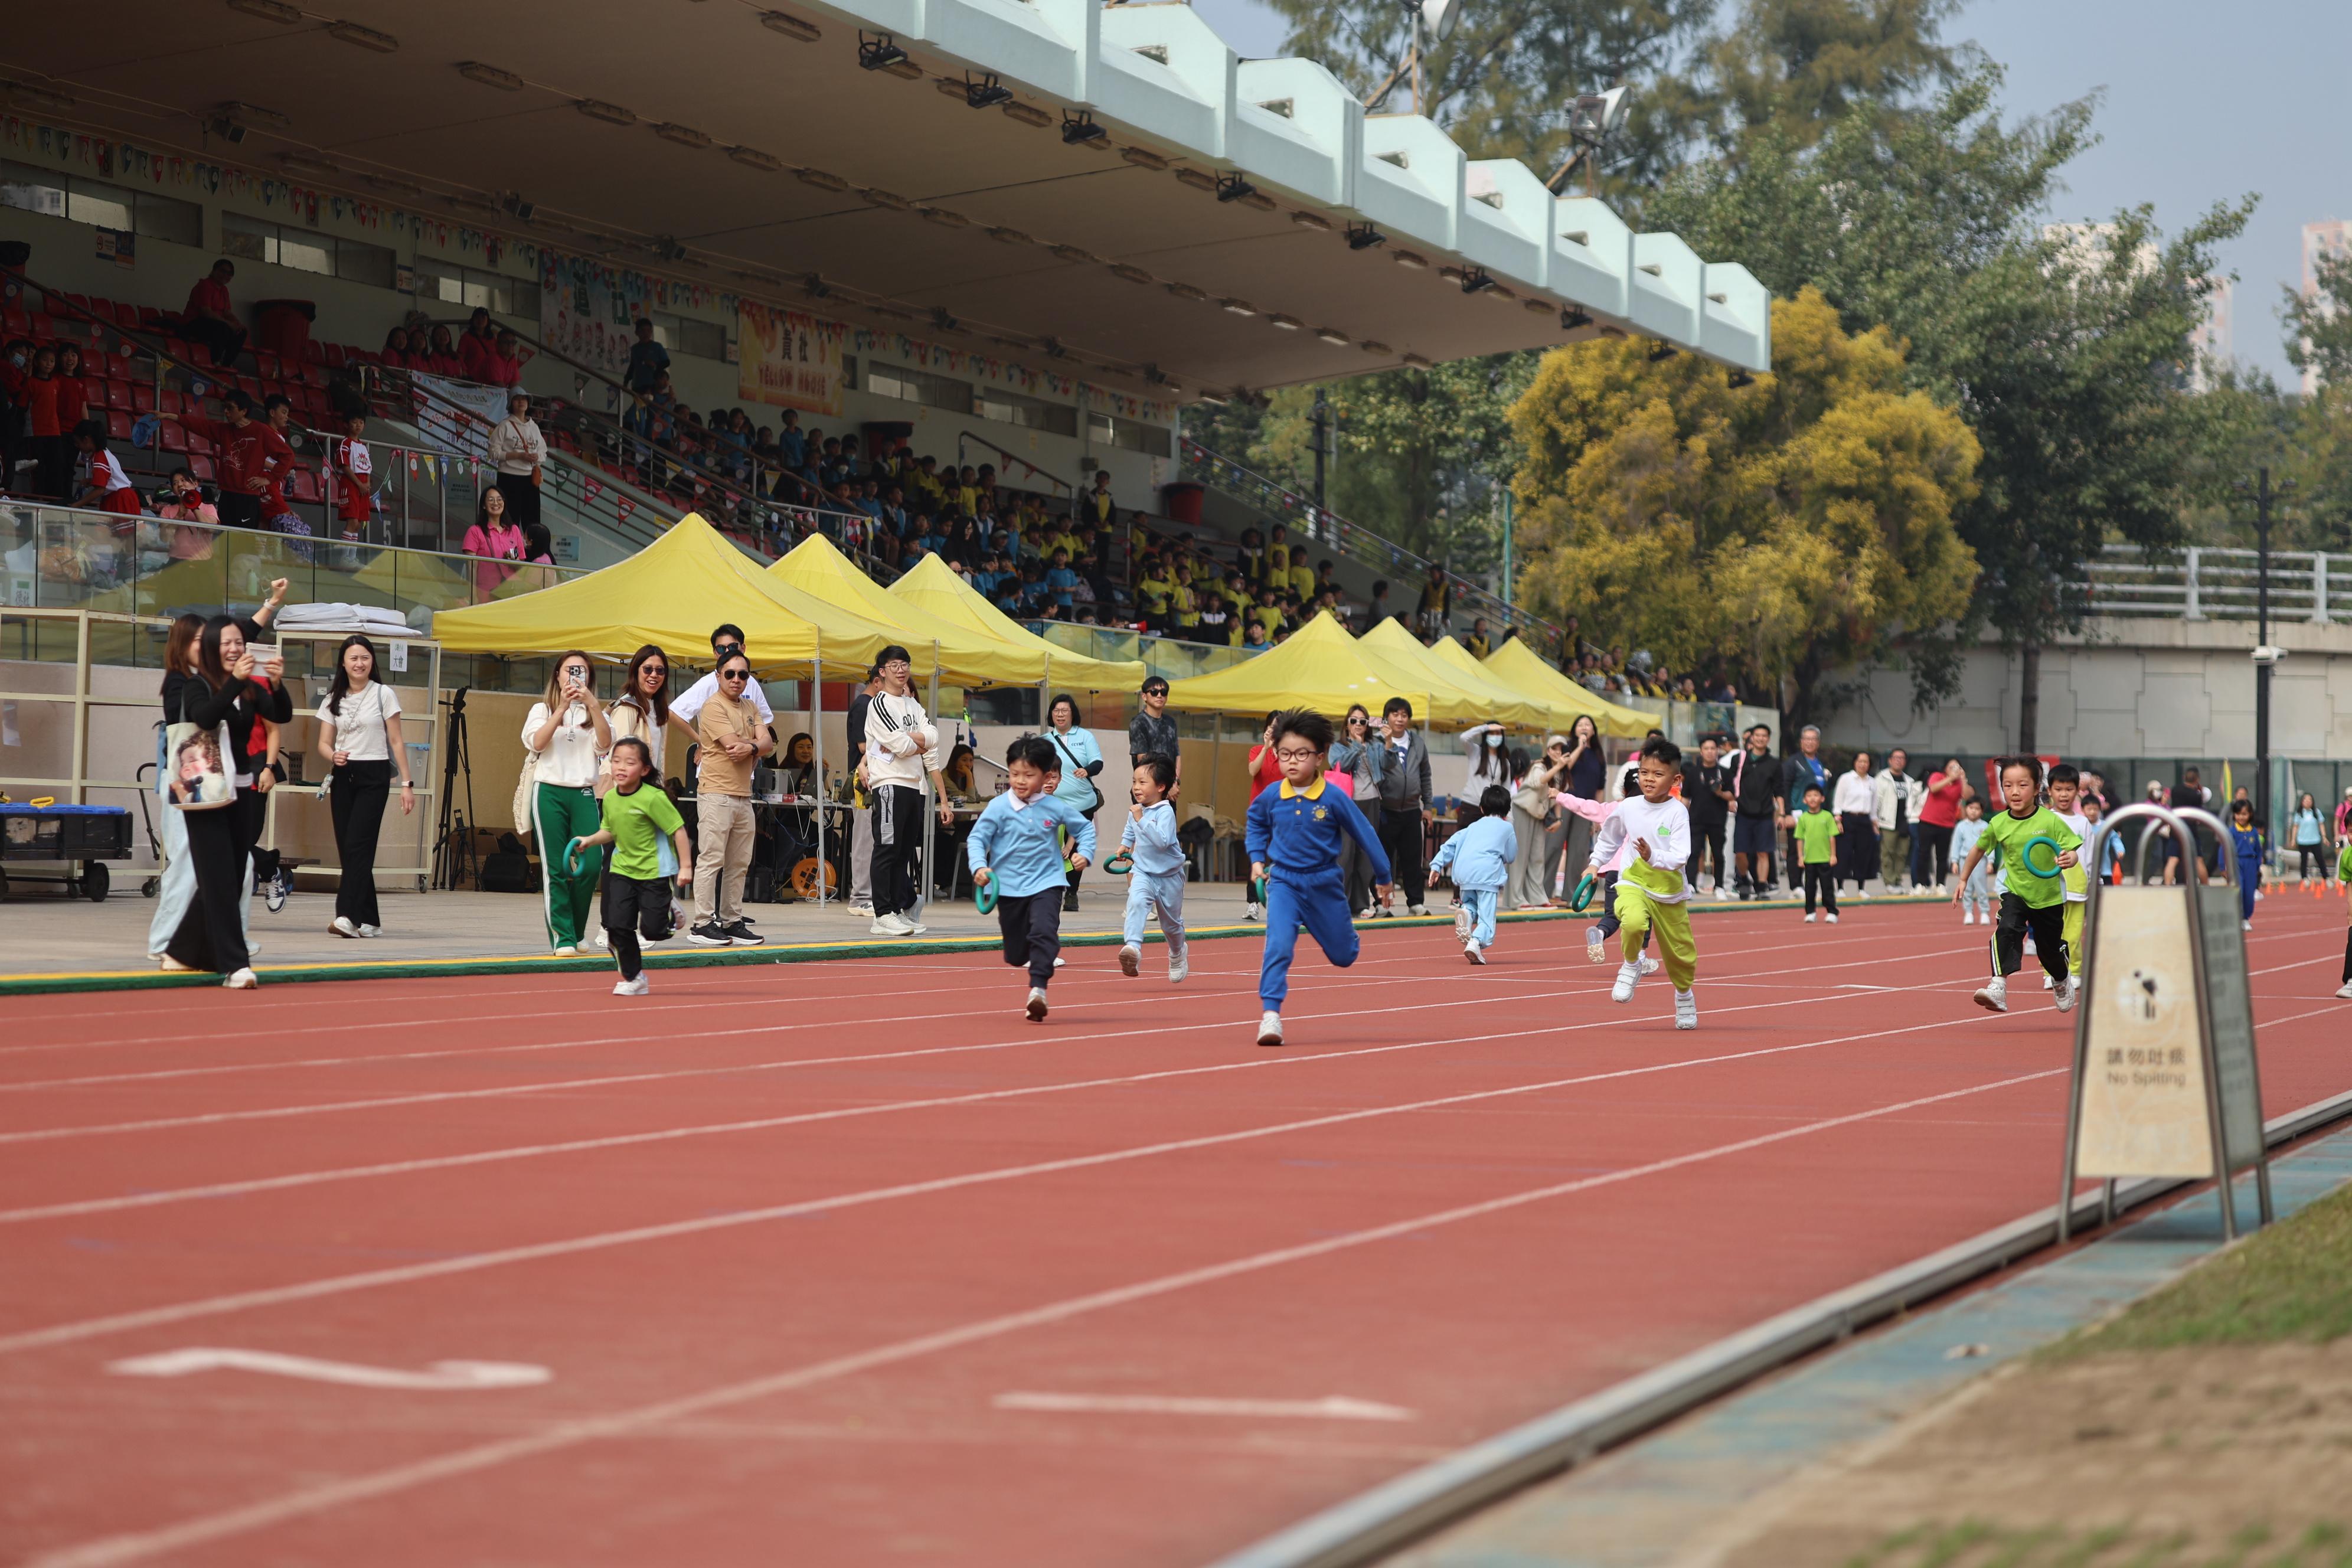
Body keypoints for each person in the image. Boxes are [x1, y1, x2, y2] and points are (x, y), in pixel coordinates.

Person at [1246, 709, 1393, 1047]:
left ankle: (1331, 929)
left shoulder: (1333, 796)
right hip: (1284, 883)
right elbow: (1255, 823)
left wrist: (1384, 877)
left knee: (1344, 956)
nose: (1292, 761)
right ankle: (1271, 1015)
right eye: (1285, 754)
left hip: (1325, 885)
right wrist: (1256, 860)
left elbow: (1366, 833)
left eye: (1301, 754)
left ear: (1320, 756)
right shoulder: (1272, 795)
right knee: (1278, 946)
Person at [158, 615, 276, 987]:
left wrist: (275, 684)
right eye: (226, 643)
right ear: (211, 647)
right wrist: (235, 683)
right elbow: (205, 718)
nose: (234, 649)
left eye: (239, 643)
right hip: (205, 793)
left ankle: (181, 951)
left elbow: (280, 715)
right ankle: (234, 963)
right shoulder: (196, 684)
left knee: (228, 877)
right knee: (220, 879)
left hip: (241, 793)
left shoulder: (247, 686)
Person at [969, 734, 1097, 1021]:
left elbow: (1085, 829)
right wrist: (979, 867)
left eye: (1029, 775)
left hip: (1048, 883)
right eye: (1015, 774)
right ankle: (1029, 957)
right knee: (1015, 955)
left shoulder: (1055, 806)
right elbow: (978, 838)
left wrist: (1085, 854)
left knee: (1044, 931)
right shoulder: (999, 807)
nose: (1020, 781)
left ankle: (1038, 990)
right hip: (1009, 888)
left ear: (1046, 776)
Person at [1951, 756, 2081, 1014]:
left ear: (2037, 788)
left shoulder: (2050, 820)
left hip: (2048, 897)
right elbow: (1978, 849)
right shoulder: (1999, 823)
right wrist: (1963, 879)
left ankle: (2061, 978)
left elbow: (2072, 849)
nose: (2015, 792)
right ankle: (1997, 986)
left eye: (2022, 785)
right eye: (2008, 786)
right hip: (2015, 891)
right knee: (2007, 928)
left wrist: (2069, 859)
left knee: (2048, 951)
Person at [567, 737, 691, 997]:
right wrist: (589, 840)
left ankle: (668, 910)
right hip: (622, 871)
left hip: (654, 872)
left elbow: (678, 831)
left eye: (629, 763)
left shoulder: (653, 798)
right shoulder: (611, 797)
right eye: (616, 761)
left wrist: (686, 867)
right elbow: (609, 830)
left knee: (653, 931)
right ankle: (635, 978)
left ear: (644, 770)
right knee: (617, 927)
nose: (621, 767)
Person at [1589, 737, 1699, 1028]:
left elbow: (1681, 855)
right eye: (1644, 772)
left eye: (1658, 774)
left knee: (1681, 954)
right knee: (1633, 922)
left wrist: (1653, 856)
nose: (1649, 779)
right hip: (1633, 881)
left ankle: (1684, 995)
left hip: (1668, 890)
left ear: (1675, 780)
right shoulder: (1629, 806)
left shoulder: (1678, 812)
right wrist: (1594, 864)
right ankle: (1631, 964)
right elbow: (1609, 838)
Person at [316, 633, 414, 939]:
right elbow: (323, 743)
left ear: (372, 661)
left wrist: (407, 784)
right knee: (350, 848)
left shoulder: (384, 694)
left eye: (365, 658)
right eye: (353, 658)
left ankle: (347, 916)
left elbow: (396, 740)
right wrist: (332, 755)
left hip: (375, 775)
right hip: (343, 775)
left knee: (358, 844)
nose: (359, 663)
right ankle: (370, 918)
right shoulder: (332, 699)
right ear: (343, 663)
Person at [522, 650, 612, 955]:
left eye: (581, 671)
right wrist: (561, 707)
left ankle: (575, 929)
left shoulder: (596, 712)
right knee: (555, 867)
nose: (575, 676)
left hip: (584, 792)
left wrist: (593, 705)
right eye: (570, 670)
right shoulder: (542, 709)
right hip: (548, 791)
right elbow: (538, 742)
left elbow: (605, 744)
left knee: (592, 864)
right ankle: (563, 937)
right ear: (558, 676)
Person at [863, 643, 953, 937]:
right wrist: (918, 742)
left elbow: (934, 736)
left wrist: (914, 740)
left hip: (916, 786)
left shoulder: (913, 704)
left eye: (905, 665)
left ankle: (897, 910)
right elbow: (901, 746)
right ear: (882, 672)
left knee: (903, 853)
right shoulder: (879, 704)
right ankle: (882, 914)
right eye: (894, 666)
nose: (901, 670)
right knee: (887, 849)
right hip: (891, 784)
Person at [687, 649, 770, 946]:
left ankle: (732, 921)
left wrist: (753, 747)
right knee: (711, 859)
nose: (737, 679)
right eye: (730, 674)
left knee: (739, 863)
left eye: (743, 674)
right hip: (716, 793)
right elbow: (734, 747)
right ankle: (702, 924)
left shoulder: (750, 705)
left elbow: (768, 743)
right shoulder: (712, 706)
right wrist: (754, 745)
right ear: (718, 676)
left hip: (743, 796)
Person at [159, 389, 290, 533]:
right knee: (226, 539)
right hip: (226, 495)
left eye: (230, 408)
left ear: (244, 411)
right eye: (225, 407)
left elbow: (288, 455)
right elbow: (199, 425)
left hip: (247, 497)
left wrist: (269, 479)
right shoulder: (224, 430)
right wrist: (171, 416)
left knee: (243, 540)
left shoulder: (261, 431)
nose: (226, 412)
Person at [1115, 753, 1189, 982]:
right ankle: (1133, 949)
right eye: (1134, 781)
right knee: (1136, 903)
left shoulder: (1165, 812)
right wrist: (1124, 845)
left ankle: (1177, 953)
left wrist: (1141, 819)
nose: (1136, 787)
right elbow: (1130, 829)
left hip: (1169, 876)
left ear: (1161, 787)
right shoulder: (1137, 810)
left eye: (1142, 782)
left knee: (1171, 926)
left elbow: (1162, 841)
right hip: (1143, 872)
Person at [1431, 784, 1515, 963]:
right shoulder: (1507, 828)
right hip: (1487, 877)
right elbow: (1511, 856)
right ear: (1507, 810)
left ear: (1482, 808)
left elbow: (1450, 845)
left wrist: (1436, 866)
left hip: (1465, 876)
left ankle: (1467, 913)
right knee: (1487, 919)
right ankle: (1475, 943)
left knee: (1471, 903)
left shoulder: (1471, 828)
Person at [1043, 692, 1104, 914]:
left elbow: (1098, 763)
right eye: (1056, 710)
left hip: (1082, 803)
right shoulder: (1045, 740)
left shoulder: (1085, 736)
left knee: (1075, 847)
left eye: (1065, 711)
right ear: (1051, 714)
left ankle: (1072, 892)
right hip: (1052, 804)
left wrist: (1087, 770)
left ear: (1072, 714)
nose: (1060, 714)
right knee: (1051, 845)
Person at [1372, 697, 1433, 917]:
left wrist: (1428, 806)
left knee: (1412, 859)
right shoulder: (1376, 741)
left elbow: (1425, 775)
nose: (1400, 719)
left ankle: (1416, 902)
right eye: (1395, 714)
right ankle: (1381, 903)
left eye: (1404, 715)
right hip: (1385, 809)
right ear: (1386, 717)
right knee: (1382, 859)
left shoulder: (1417, 742)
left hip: (1411, 809)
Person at [2044, 765, 2095, 988]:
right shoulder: (2045, 819)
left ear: (2077, 791)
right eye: (2058, 789)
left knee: (2073, 935)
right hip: (2051, 888)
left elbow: (2090, 855)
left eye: (2069, 789)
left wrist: (2094, 883)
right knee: (2051, 933)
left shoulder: (2083, 822)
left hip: (2077, 888)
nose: (2064, 795)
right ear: (2050, 791)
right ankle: (2050, 973)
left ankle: (2074, 971)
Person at [486, 390, 547, 537]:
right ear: (511, 404)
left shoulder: (534, 427)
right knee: (509, 521)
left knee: (533, 523)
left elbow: (543, 452)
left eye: (524, 399)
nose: (521, 402)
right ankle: (509, 550)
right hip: (509, 477)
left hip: (530, 479)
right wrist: (518, 456)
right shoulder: (505, 426)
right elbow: (493, 453)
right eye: (517, 399)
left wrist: (536, 457)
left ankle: (532, 551)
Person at [1682, 734, 1734, 899]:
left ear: (1718, 751)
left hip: (1717, 820)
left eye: (1713, 749)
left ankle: (1719, 886)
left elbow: (1732, 795)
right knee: (1693, 853)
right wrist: (1679, 817)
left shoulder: (1724, 772)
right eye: (1706, 749)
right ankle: (1691, 885)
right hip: (1696, 819)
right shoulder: (1693, 772)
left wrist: (1720, 793)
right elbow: (1685, 798)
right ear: (1701, 751)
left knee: (1718, 854)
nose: (1710, 752)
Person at [1778, 726, 1829, 891]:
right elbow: (1783, 787)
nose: (1810, 742)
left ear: (1818, 742)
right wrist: (1786, 813)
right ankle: (1796, 886)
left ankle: (1810, 885)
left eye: (1813, 739)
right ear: (1801, 742)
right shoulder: (1793, 762)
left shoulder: (1820, 764)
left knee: (1814, 850)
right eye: (1807, 739)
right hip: (1797, 814)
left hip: (1818, 815)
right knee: (1796, 849)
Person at [1912, 757, 1966, 893]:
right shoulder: (1937, 776)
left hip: (1947, 824)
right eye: (1952, 767)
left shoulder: (1959, 784)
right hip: (1928, 822)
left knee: (1942, 856)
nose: (1955, 770)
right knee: (1924, 853)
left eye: (1957, 767)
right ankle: (1921, 884)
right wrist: (1950, 779)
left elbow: (1967, 795)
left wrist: (1963, 780)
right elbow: (1934, 788)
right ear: (1946, 769)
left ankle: (1940, 884)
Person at [461, 488, 527, 599]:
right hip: (486, 594)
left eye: (499, 499)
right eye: (491, 500)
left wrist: (515, 561)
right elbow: (472, 567)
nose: (496, 503)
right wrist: (473, 596)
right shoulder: (475, 531)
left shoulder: (514, 530)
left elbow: (522, 566)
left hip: (513, 592)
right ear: (484, 505)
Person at [1873, 748, 1922, 893]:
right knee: (1888, 853)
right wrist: (1875, 819)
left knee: (1902, 853)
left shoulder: (1910, 781)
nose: (1898, 761)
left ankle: (1897, 881)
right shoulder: (1881, 778)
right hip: (1887, 821)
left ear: (1905, 762)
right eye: (1896, 758)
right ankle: (1889, 882)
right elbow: (1877, 800)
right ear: (1890, 760)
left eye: (1902, 758)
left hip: (1905, 822)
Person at [181, 259, 246, 367]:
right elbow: (206, 311)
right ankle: (215, 361)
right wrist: (229, 324)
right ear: (214, 270)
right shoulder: (205, 285)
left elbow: (228, 313)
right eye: (223, 271)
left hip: (215, 325)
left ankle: (227, 364)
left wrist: (238, 324)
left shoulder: (224, 290)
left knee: (242, 332)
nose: (225, 275)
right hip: (194, 323)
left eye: (229, 273)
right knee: (223, 328)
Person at [1832, 750, 1877, 896]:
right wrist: (1838, 819)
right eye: (1860, 761)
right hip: (1848, 818)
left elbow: (1874, 804)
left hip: (1864, 820)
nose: (1863, 765)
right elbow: (1838, 801)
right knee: (1843, 852)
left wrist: (1874, 823)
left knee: (1863, 854)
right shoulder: (1846, 779)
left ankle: (1861, 889)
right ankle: (1840, 888)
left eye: (1866, 762)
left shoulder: (1872, 782)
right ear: (1855, 763)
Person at [327, 412, 375, 547]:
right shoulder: (345, 443)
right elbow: (344, 465)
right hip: (351, 484)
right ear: (346, 424)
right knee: (352, 522)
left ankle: (352, 556)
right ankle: (343, 556)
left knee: (358, 524)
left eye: (361, 422)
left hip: (363, 486)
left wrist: (367, 483)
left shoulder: (364, 447)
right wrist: (359, 484)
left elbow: (368, 468)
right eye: (354, 422)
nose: (358, 425)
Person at [1126, 677, 1181, 793]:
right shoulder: (1139, 722)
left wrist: (1175, 782)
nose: (1159, 695)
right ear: (1144, 696)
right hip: (1148, 789)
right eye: (1154, 692)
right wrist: (1164, 785)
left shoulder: (1170, 722)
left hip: (1169, 787)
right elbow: (1143, 759)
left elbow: (1177, 755)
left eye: (1164, 692)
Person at [1794, 782, 1838, 922]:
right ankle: (1810, 912)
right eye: (1809, 796)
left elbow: (1832, 837)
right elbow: (1799, 839)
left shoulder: (1827, 816)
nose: (1813, 798)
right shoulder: (1803, 818)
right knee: (1809, 888)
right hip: (1809, 860)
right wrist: (1800, 857)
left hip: (1825, 858)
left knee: (1827, 887)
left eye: (1816, 795)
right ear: (1804, 800)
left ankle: (1832, 911)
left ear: (1822, 798)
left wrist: (1833, 855)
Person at [1952, 797, 1992, 925]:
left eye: (1977, 809)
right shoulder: (1961, 826)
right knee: (1967, 888)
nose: (1974, 811)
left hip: (1981, 861)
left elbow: (1990, 845)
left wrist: (1990, 861)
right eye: (1971, 808)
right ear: (1966, 809)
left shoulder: (1985, 826)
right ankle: (1968, 912)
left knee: (1981, 888)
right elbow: (1956, 844)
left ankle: (1984, 912)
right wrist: (1955, 861)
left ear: (1982, 811)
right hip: (1964, 860)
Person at [2227, 799, 2265, 932]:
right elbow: (2224, 849)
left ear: (2250, 814)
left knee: (2249, 893)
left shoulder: (2253, 832)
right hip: (2236, 862)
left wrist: (2257, 865)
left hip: (2250, 864)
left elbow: (2258, 850)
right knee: (2239, 891)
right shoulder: (2232, 831)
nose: (2241, 817)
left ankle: (2245, 918)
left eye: (2244, 814)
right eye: (2238, 814)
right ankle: (2237, 917)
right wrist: (2223, 867)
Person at [2289, 791, 2331, 887]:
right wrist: (2293, 839)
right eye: (2306, 800)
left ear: (2313, 802)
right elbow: (2295, 827)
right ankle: (2304, 878)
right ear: (2302, 802)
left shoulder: (2316, 812)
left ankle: (2326, 878)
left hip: (2315, 840)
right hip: (2303, 840)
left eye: (2310, 800)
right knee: (2304, 860)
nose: (2308, 801)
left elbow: (2321, 825)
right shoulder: (2299, 814)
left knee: (2320, 859)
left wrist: (2324, 837)